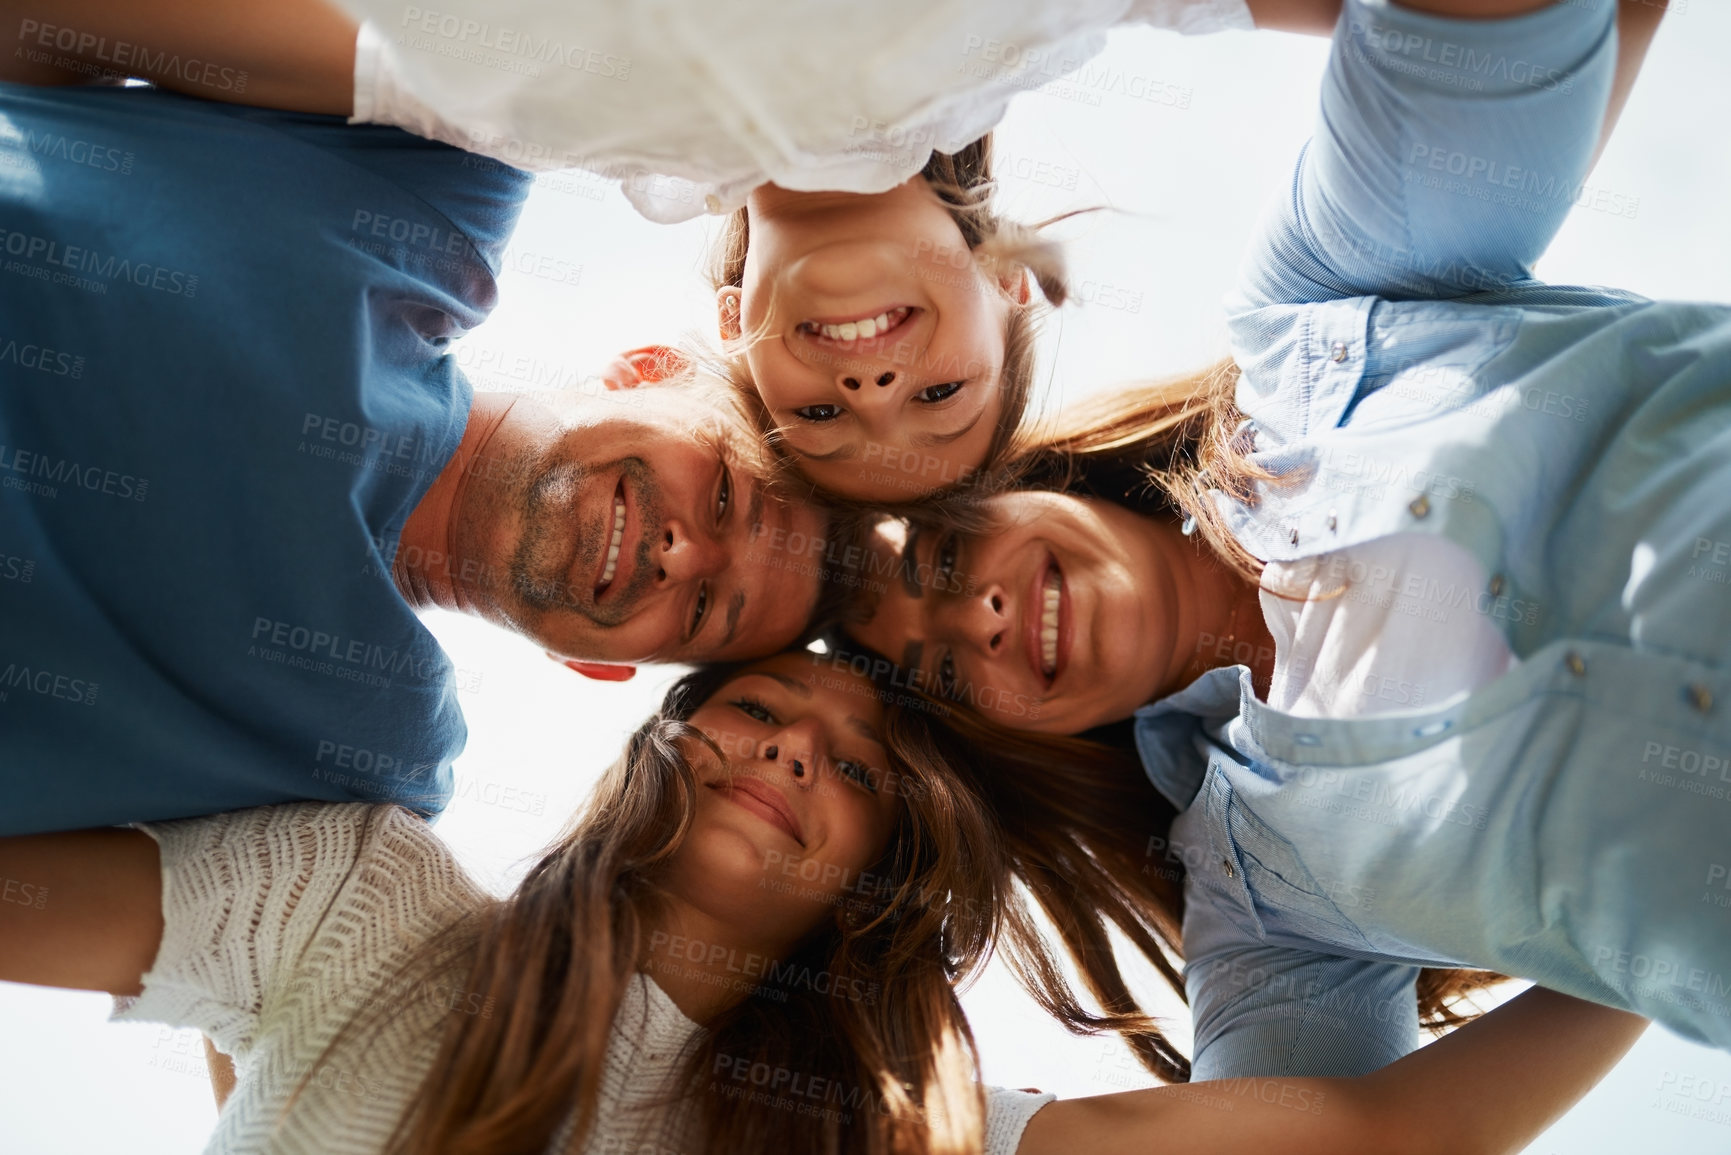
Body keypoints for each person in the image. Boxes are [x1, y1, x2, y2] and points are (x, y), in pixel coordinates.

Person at [840, 0, 1729, 1079]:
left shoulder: (1314, 313)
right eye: (940, 668)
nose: (975, 619)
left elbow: (1488, 40)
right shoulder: (1266, 909)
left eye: (942, 562)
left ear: (1022, 480)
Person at [0, 650, 1649, 1154]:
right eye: (760, 710)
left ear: (882, 876)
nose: (793, 753)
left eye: (859, 771)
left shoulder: (911, 1133)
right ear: (662, 735)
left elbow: (1375, 1141)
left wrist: (1669, 935)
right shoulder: (355, 899)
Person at [3, 2, 1346, 501]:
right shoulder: (1034, 32)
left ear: (731, 333)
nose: (870, 388)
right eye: (941, 391)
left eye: (815, 414)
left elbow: (63, 23)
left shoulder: (505, 111)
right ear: (1004, 290)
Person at [0, 78, 836, 836]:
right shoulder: (448, 168)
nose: (682, 553)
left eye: (700, 611)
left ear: (596, 662)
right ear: (653, 369)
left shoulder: (372, 774)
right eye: (727, 496)